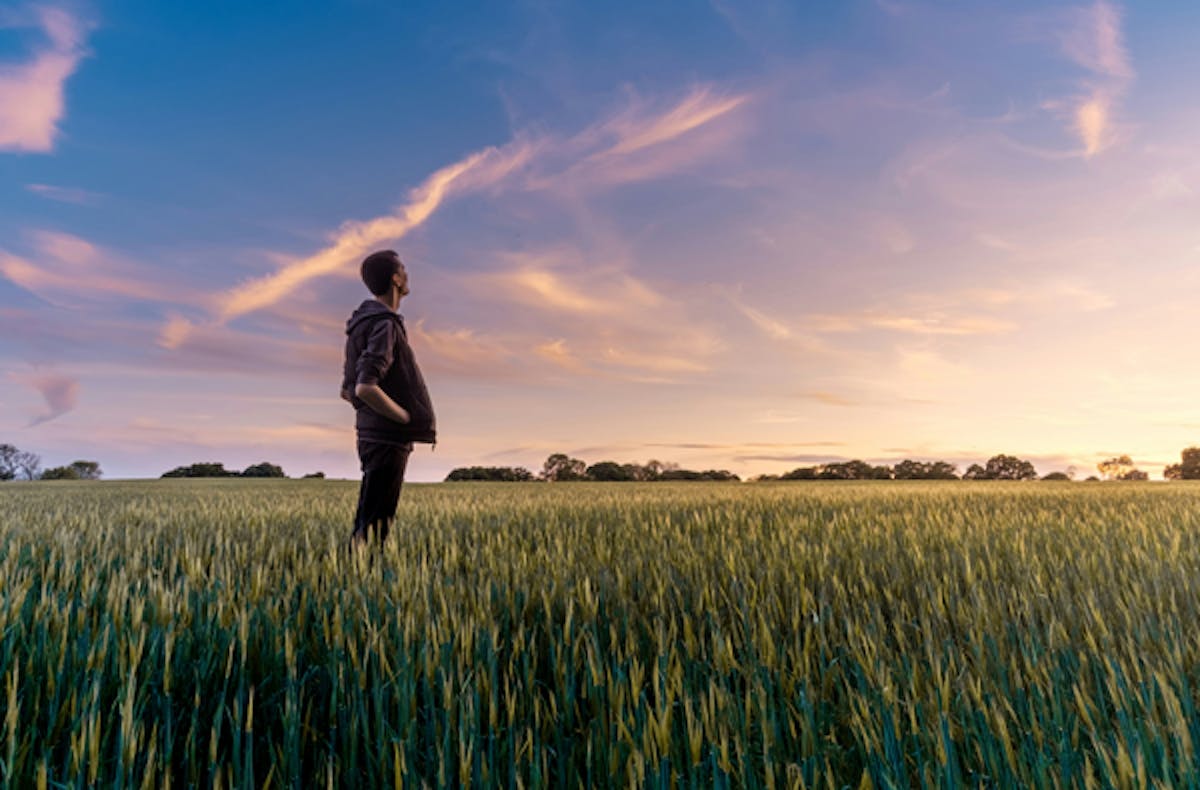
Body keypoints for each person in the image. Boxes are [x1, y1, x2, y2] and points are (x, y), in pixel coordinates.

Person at [341, 250, 436, 547]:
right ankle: (360, 583)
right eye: (404, 270)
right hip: (387, 437)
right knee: (376, 526)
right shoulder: (385, 324)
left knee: (368, 519)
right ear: (396, 278)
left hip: (370, 434)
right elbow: (363, 387)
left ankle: (351, 578)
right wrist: (404, 418)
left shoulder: (361, 324)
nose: (407, 275)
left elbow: (347, 390)